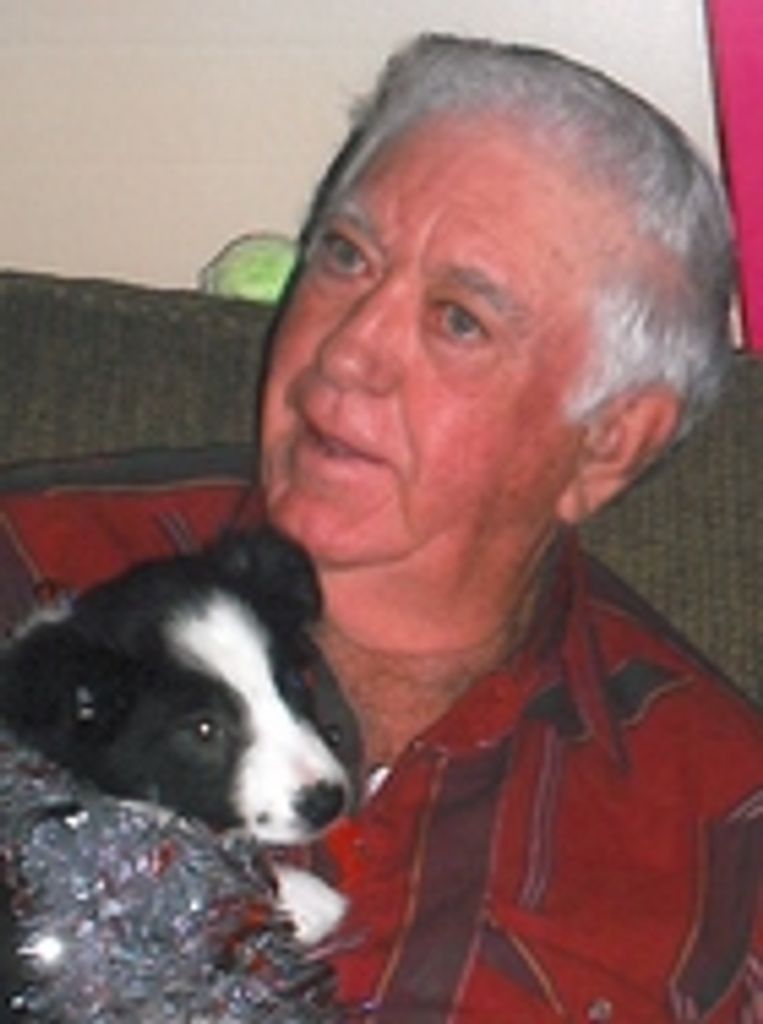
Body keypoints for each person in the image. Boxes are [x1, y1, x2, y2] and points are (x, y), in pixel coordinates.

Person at [0, 32, 760, 1022]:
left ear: (609, 441)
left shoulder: (719, 822)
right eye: (346, 257)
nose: (347, 349)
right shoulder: (28, 564)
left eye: (458, 319)